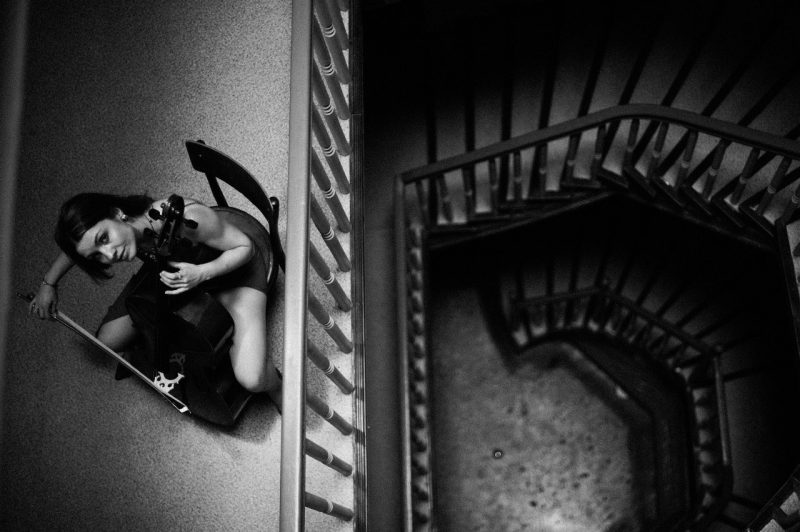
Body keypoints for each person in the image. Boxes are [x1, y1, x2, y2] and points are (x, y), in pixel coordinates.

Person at [28, 192, 282, 408]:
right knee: (108, 340)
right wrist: (48, 284)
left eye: (104, 238)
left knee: (252, 379)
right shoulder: (118, 233)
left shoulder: (188, 219)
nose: (109, 255)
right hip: (177, 269)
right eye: (96, 256)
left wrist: (202, 273)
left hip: (232, 272)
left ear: (117, 214)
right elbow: (79, 247)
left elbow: (245, 247)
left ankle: (278, 387)